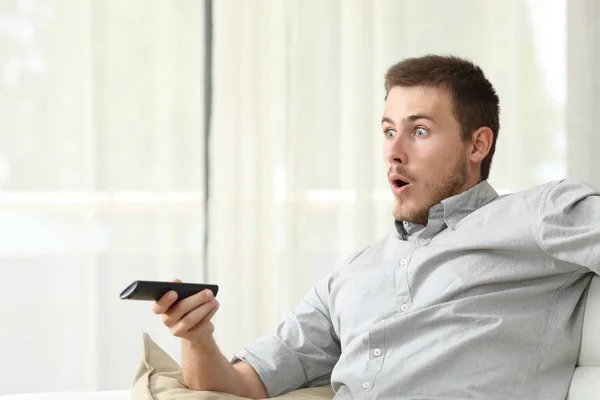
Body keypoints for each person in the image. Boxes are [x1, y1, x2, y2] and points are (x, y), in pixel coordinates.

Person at [152, 54, 600, 399]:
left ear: (477, 144)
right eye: (388, 132)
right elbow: (241, 384)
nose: (394, 152)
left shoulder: (538, 216)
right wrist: (196, 337)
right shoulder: (347, 279)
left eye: (419, 131)